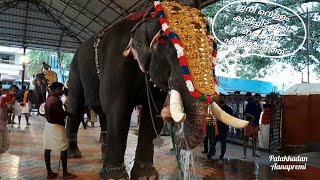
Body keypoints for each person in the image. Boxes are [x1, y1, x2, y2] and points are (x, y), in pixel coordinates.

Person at [43, 82, 76, 179]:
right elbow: (59, 115)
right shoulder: (55, 101)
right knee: (64, 148)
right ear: (54, 90)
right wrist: (67, 114)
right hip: (57, 126)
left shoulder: (49, 98)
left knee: (48, 148)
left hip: (48, 126)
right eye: (60, 89)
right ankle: (65, 173)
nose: (62, 91)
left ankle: (49, 172)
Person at [207, 94, 233, 164]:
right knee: (213, 142)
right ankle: (210, 155)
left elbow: (230, 119)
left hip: (224, 128)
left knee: (223, 143)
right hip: (215, 128)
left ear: (225, 99)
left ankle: (221, 157)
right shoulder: (214, 108)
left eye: (222, 98)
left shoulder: (229, 109)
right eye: (219, 98)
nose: (220, 99)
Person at [243, 93, 262, 158]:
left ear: (260, 99)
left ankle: (254, 153)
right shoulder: (249, 104)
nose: (257, 99)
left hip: (256, 124)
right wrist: (251, 116)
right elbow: (245, 113)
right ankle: (245, 155)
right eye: (256, 98)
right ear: (254, 98)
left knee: (254, 139)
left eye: (258, 98)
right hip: (249, 124)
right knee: (246, 139)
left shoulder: (259, 106)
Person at [0, 85, 11, 153]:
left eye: (1, 87)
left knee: (5, 144)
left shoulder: (3, 98)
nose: (1, 89)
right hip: (1, 124)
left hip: (3, 124)